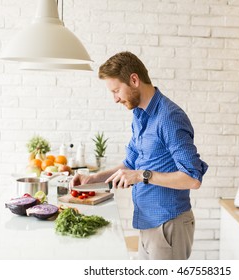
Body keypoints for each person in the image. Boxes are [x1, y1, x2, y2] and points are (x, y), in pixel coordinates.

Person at [71, 51, 208, 260]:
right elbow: (130, 164)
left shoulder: (169, 118)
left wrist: (141, 175)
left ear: (134, 80)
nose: (115, 98)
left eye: (116, 90)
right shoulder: (139, 115)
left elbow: (192, 178)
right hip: (148, 223)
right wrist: (93, 179)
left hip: (168, 224)